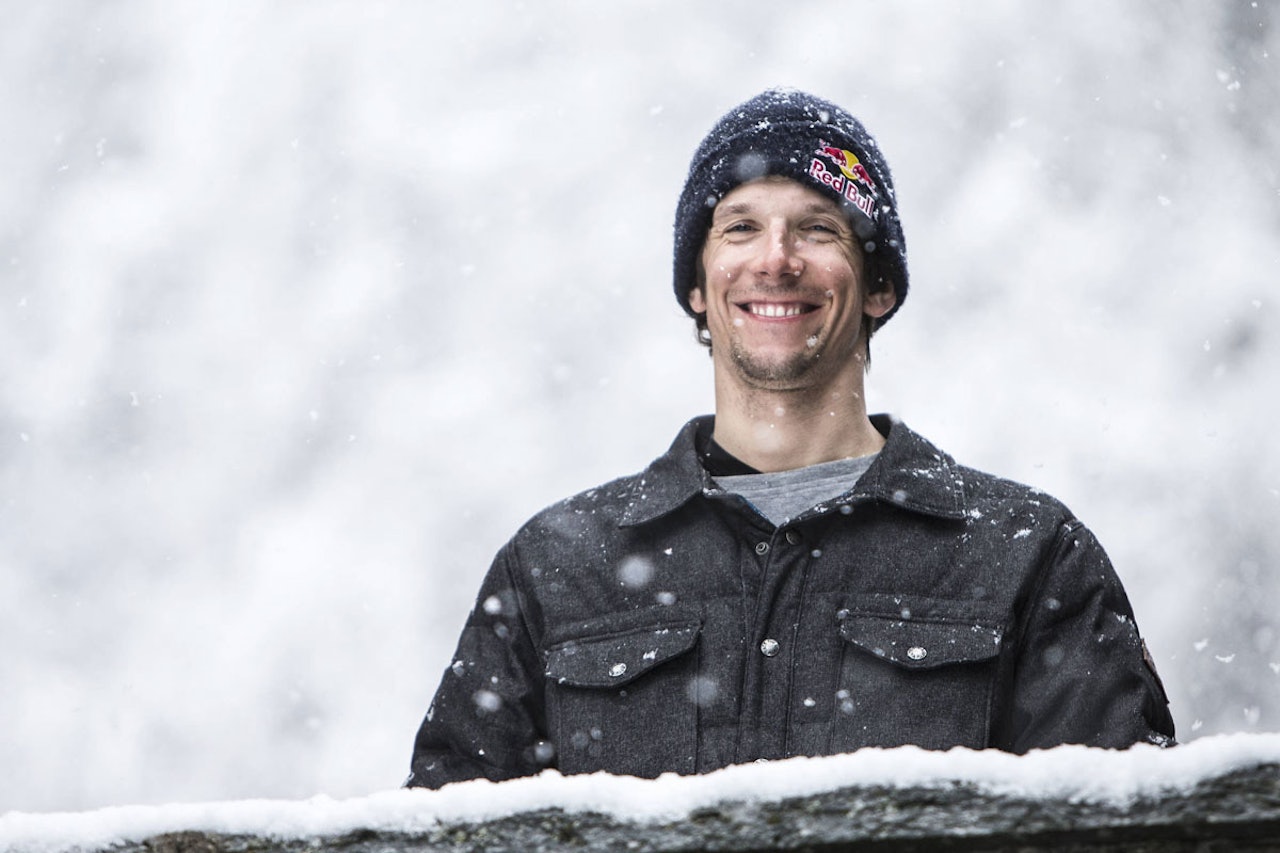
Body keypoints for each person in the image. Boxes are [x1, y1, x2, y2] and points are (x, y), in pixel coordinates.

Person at [405, 89, 1175, 789]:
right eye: (741, 227)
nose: (776, 259)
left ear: (879, 286)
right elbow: (446, 832)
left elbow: (1128, 830)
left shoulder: (1026, 556)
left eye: (817, 227)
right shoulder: (559, 568)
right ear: (698, 288)